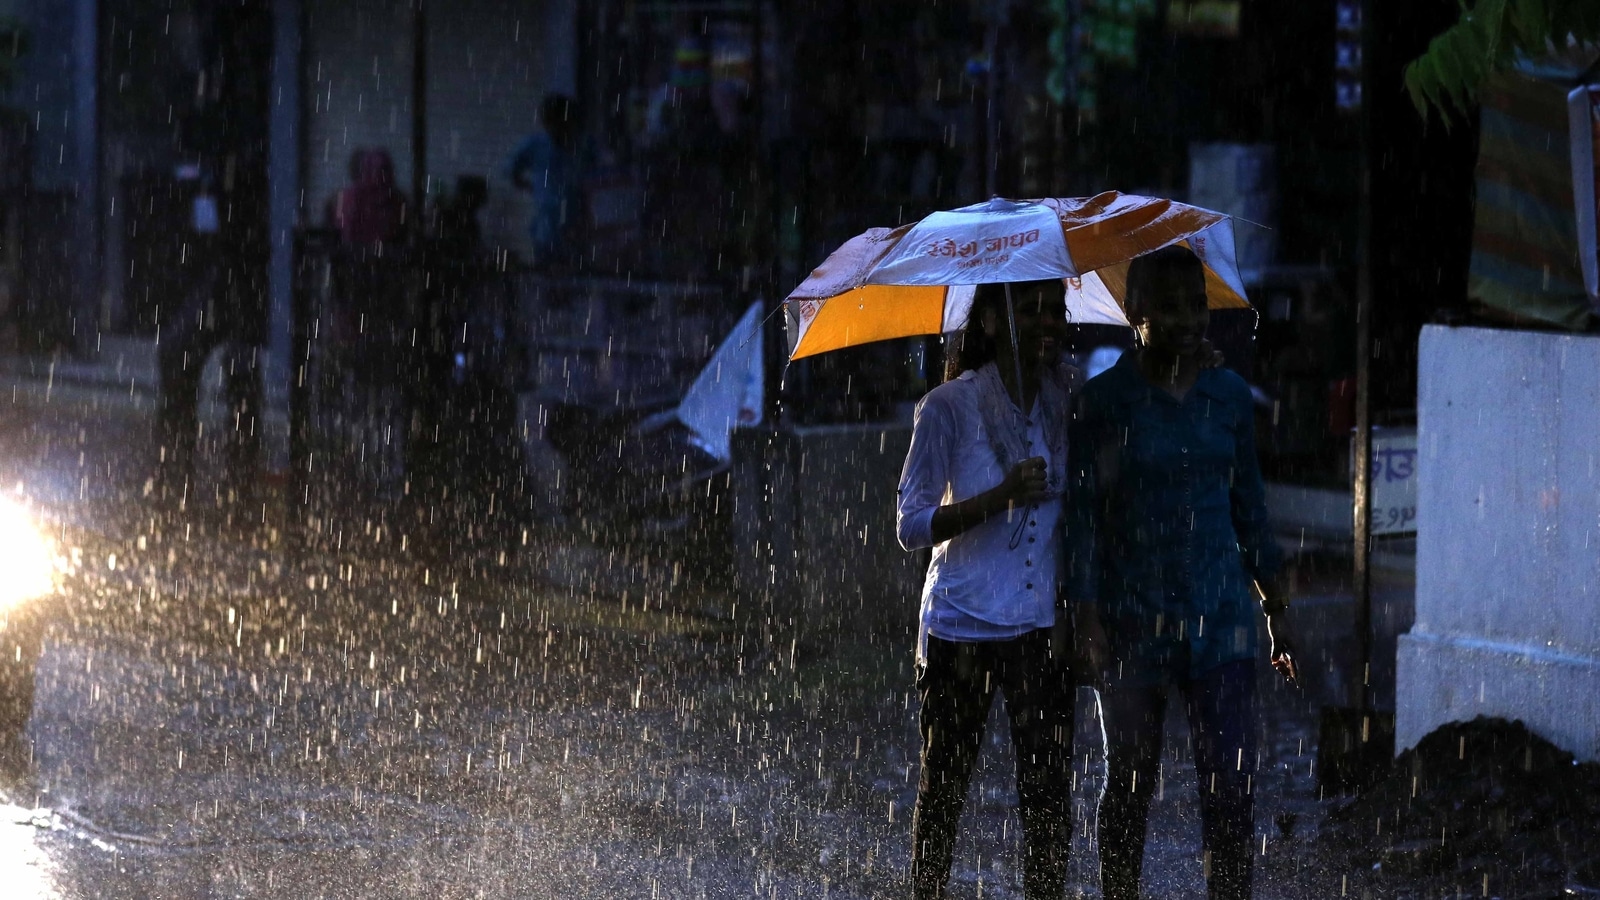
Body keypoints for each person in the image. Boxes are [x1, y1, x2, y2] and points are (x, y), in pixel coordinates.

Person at [1066, 244, 1298, 900]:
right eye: (1168, 308)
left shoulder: (1226, 396)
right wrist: (1084, 617)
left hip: (1221, 621)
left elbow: (1249, 507)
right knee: (1129, 785)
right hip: (1133, 621)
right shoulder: (1105, 403)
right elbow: (1082, 522)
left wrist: (1275, 612)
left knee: (1231, 788)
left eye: (1196, 306)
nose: (1188, 321)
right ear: (1134, 312)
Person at [896, 279, 1080, 900]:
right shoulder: (948, 407)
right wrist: (998, 498)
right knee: (943, 790)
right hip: (961, 627)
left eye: (1055, 309)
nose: (1047, 322)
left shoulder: (1069, 397)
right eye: (1029, 310)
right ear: (994, 325)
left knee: (1049, 798)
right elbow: (911, 525)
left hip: (1040, 628)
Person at [508, 94, 584, 271]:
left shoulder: (581, 145)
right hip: (547, 223)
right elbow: (513, 170)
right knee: (546, 273)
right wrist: (533, 188)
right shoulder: (536, 144)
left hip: (576, 219)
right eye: (551, 121)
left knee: (574, 276)